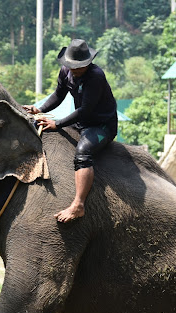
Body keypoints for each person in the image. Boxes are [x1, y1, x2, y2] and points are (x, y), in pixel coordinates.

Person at [24, 39, 118, 223]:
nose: (75, 70)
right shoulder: (66, 72)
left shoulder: (96, 76)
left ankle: (79, 205)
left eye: (79, 66)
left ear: (88, 63)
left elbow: (85, 110)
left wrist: (57, 124)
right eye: (71, 66)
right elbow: (59, 94)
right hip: (81, 122)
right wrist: (40, 109)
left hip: (101, 125)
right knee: (44, 129)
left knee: (83, 153)